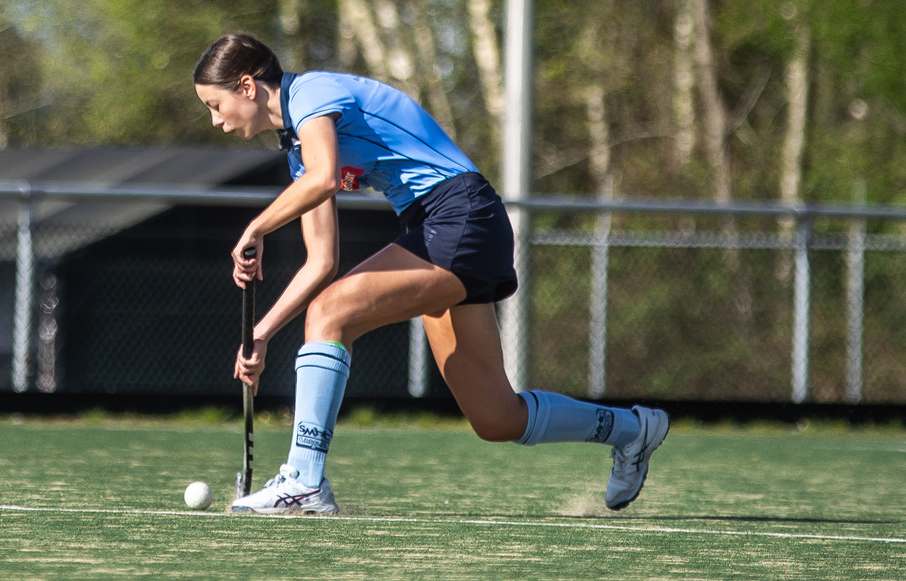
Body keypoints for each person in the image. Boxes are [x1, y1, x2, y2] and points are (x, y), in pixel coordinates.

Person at [193, 31, 668, 518]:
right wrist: (263, 333)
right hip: (438, 227)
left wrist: (256, 227)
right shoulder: (298, 149)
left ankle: (304, 480)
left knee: (330, 314)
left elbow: (326, 175)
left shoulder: (311, 94)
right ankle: (634, 430)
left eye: (215, 103)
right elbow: (321, 261)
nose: (216, 120)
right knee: (496, 416)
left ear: (248, 87)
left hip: (460, 216)